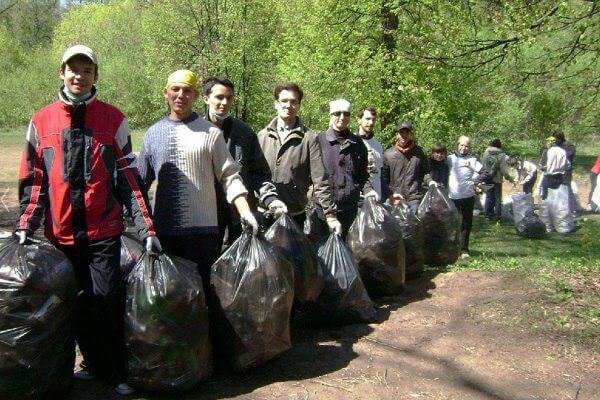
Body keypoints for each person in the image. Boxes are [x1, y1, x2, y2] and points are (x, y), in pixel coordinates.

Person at [14, 44, 159, 396]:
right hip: (58, 236)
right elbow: (34, 181)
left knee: (105, 301)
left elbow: (128, 179)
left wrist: (146, 228)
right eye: (73, 69)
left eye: (87, 70)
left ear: (96, 76)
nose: (80, 76)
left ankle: (110, 371)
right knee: (63, 308)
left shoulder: (113, 119)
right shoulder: (42, 120)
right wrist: (25, 225)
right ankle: (64, 371)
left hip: (102, 233)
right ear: (62, 73)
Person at [137, 70, 257, 293]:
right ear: (166, 93)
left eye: (187, 90)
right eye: (175, 89)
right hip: (166, 231)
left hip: (204, 233)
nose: (181, 94)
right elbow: (138, 185)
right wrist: (144, 228)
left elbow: (229, 175)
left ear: (195, 95)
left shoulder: (210, 132)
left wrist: (245, 211)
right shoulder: (153, 134)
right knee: (171, 296)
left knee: (203, 293)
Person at [201, 76, 286, 246]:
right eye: (219, 97)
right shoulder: (195, 132)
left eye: (229, 98)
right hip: (205, 217)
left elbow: (259, 173)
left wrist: (271, 199)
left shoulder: (244, 133)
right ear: (206, 98)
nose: (224, 102)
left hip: (240, 215)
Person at [257, 82, 341, 234]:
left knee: (292, 258)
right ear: (276, 104)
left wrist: (330, 215)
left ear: (299, 105)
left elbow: (320, 178)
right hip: (264, 212)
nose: (288, 105)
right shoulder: (262, 136)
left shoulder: (309, 138)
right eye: (284, 101)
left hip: (294, 214)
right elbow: (252, 174)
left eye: (293, 102)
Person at [318, 99, 374, 238]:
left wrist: (369, 191)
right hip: (322, 210)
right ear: (331, 116)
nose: (342, 117)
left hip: (349, 209)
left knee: (347, 253)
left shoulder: (358, 143)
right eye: (337, 113)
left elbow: (362, 174)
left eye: (346, 114)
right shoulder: (319, 140)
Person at [381, 121, 430, 213]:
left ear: (411, 134)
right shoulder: (388, 154)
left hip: (414, 199)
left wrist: (431, 182)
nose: (404, 135)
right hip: (395, 198)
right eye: (401, 133)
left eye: (407, 132)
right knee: (396, 226)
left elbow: (426, 172)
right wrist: (389, 195)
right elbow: (383, 179)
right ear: (396, 135)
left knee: (414, 226)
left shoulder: (419, 152)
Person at [446, 136, 482, 259]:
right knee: (453, 223)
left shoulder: (473, 160)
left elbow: (485, 172)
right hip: (452, 197)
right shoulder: (449, 159)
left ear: (469, 147)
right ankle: (452, 248)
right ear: (457, 145)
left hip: (468, 196)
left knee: (466, 224)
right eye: (461, 145)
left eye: (466, 146)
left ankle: (464, 249)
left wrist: (477, 182)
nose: (463, 148)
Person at [481, 138, 514, 220]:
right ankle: (497, 215)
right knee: (497, 197)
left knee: (489, 196)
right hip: (497, 179)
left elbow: (483, 165)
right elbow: (503, 169)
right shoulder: (502, 155)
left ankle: (488, 214)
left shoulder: (486, 153)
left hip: (487, 177)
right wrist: (509, 178)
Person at [356, 107, 384, 200]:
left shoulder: (378, 146)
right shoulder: (352, 143)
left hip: (376, 198)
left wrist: (389, 194)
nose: (371, 123)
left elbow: (380, 174)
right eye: (367, 119)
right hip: (358, 200)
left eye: (373, 120)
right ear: (359, 120)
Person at [539, 135, 570, 200]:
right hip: (559, 177)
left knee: (546, 197)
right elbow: (568, 165)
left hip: (549, 177)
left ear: (551, 143)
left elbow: (542, 165)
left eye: (547, 142)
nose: (546, 144)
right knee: (556, 198)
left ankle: (547, 210)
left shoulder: (548, 151)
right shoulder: (563, 151)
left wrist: (544, 168)